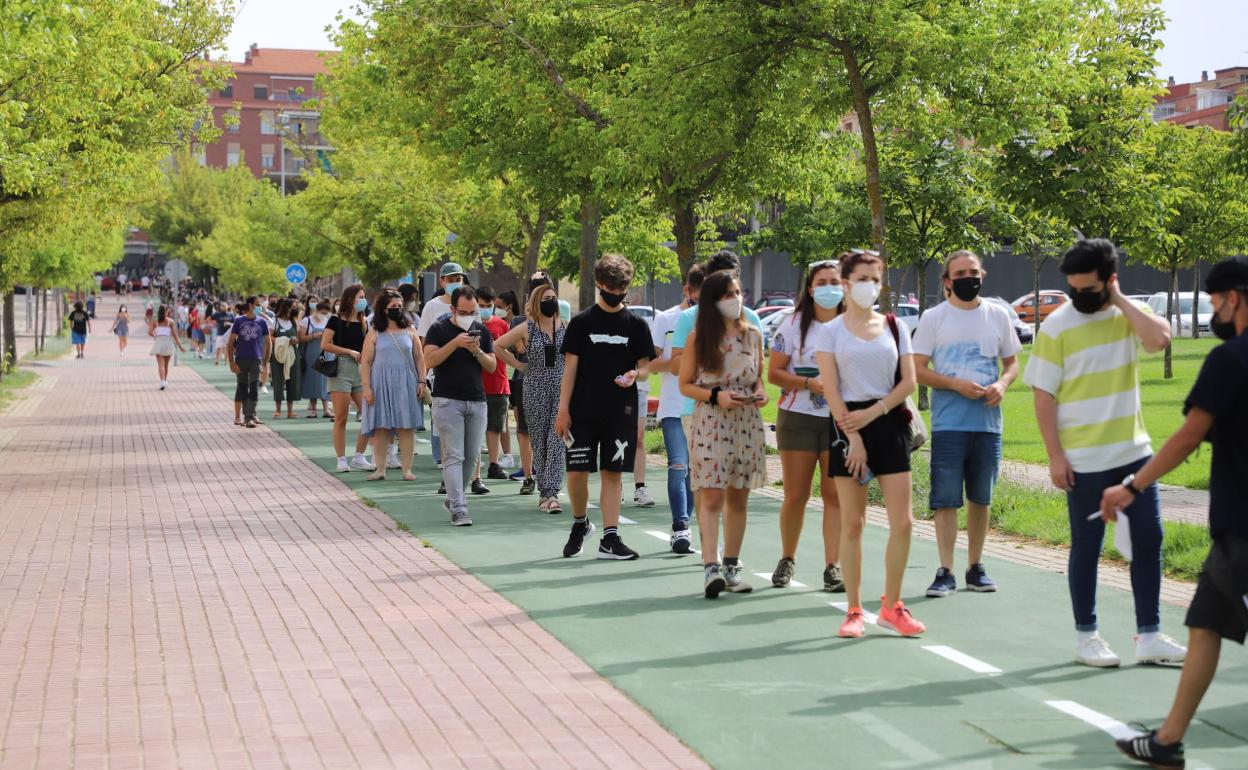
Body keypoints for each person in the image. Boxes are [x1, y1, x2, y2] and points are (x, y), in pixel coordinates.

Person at [1105, 257, 1248, 769]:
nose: (1213, 310)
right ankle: (1167, 741)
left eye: (1213, 300)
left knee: (1207, 623)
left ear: (1232, 297)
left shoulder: (1230, 359)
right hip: (1235, 529)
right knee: (1205, 623)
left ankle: (1168, 740)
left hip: (1242, 527)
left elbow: (1189, 436)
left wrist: (1132, 485)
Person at [1023, 238, 1186, 667]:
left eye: (1088, 289)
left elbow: (1160, 340)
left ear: (1110, 281)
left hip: (1134, 453)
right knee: (1088, 546)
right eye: (1072, 289)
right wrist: (1055, 456)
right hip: (1083, 461)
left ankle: (1149, 635)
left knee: (1149, 541)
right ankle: (1087, 637)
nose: (1078, 297)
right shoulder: (1057, 326)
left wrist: (1118, 300)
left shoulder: (1126, 317)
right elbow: (1044, 395)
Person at [815, 250, 925, 638]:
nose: (870, 286)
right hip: (847, 428)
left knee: (904, 522)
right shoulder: (830, 331)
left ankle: (892, 605)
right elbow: (831, 390)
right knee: (853, 523)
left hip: (889, 421)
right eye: (862, 278)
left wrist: (875, 413)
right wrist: (854, 437)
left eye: (875, 279)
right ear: (845, 283)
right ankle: (854, 609)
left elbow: (909, 382)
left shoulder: (896, 327)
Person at [912, 250, 1021, 598]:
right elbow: (916, 368)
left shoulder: (998, 315)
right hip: (949, 424)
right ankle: (945, 570)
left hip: (988, 423)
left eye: (973, 272)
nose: (967, 278)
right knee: (945, 500)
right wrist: (955, 384)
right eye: (959, 273)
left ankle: (976, 567)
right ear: (947, 281)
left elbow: (1012, 363)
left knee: (981, 497)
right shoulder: (934, 317)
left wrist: (1002, 385)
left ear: (983, 275)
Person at [555, 254, 652, 560]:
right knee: (577, 472)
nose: (616, 292)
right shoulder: (582, 323)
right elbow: (569, 368)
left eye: (621, 287)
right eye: (611, 286)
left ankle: (610, 538)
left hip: (620, 411)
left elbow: (646, 367)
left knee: (613, 472)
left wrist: (636, 374)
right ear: (598, 284)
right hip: (582, 410)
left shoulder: (636, 325)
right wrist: (563, 409)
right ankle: (581, 523)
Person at [680, 271, 768, 597]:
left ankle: (732, 566)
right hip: (712, 418)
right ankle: (710, 567)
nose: (735, 299)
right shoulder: (698, 339)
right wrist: (717, 396)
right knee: (712, 493)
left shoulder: (753, 335)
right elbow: (685, 384)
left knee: (739, 494)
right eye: (727, 294)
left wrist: (760, 392)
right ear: (712, 301)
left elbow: (757, 377)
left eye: (738, 292)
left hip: (746, 421)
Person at [768, 259, 844, 590]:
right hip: (798, 417)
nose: (828, 287)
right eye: (822, 282)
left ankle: (833, 566)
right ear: (810, 289)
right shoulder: (792, 324)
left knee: (834, 495)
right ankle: (787, 557)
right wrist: (808, 384)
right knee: (796, 494)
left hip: (840, 420)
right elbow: (774, 373)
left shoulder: (852, 325)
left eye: (834, 281)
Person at [423, 286, 498, 526]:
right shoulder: (439, 329)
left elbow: (492, 366)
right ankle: (459, 507)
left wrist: (476, 350)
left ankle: (456, 497)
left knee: (472, 457)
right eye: (464, 312)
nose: (469, 316)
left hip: (477, 400)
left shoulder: (482, 332)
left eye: (472, 311)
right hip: (447, 400)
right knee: (454, 455)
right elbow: (429, 360)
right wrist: (455, 343)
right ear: (453, 309)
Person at [495, 283, 567, 511]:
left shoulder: (566, 327)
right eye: (546, 297)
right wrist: (518, 365)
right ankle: (544, 492)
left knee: (556, 438)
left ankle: (552, 493)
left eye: (553, 297)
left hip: (561, 388)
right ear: (537, 301)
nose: (551, 301)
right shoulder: (528, 328)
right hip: (534, 388)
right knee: (539, 441)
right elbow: (497, 346)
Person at [650, 265, 704, 554]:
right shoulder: (667, 319)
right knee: (678, 465)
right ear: (688, 290)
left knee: (694, 472)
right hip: (673, 406)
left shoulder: (714, 322)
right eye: (699, 292)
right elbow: (649, 362)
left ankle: (687, 524)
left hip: (702, 409)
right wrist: (672, 363)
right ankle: (680, 527)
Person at [360, 289, 427, 481]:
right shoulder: (374, 332)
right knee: (381, 427)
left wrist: (422, 381)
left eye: (400, 306)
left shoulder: (410, 330)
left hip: (407, 382)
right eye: (393, 307)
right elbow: (365, 362)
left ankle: (407, 470)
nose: (397, 309)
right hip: (380, 383)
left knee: (406, 427)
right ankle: (380, 469)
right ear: (383, 309)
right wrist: (366, 387)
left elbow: (420, 359)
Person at [418, 263, 470, 481]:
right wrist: (424, 374)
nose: (455, 283)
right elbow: (423, 341)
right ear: (442, 282)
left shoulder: (469, 301)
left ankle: (467, 463)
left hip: (466, 371)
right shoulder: (431, 307)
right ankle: (442, 457)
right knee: (442, 419)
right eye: (450, 279)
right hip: (438, 372)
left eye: (458, 279)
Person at [323, 285, 375, 473]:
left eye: (364, 297)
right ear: (351, 298)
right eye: (361, 296)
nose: (363, 300)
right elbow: (325, 344)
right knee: (341, 417)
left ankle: (359, 456)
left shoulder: (364, 322)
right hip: (341, 369)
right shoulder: (335, 320)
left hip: (360, 371)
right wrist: (349, 351)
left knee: (369, 414)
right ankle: (341, 459)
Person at [475, 286, 513, 483]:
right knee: (475, 428)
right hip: (475, 384)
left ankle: (493, 463)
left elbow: (509, 350)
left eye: (488, 306)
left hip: (498, 383)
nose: (484, 309)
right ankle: (473, 468)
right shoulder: (469, 325)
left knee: (495, 427)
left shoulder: (501, 325)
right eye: (480, 305)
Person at [226, 298, 269, 426]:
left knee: (254, 387)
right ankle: (245, 417)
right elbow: (230, 342)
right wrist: (231, 362)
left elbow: (268, 342)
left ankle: (250, 416)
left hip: (256, 360)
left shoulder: (262, 322)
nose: (259, 307)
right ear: (250, 305)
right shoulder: (239, 320)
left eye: (260, 305)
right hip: (241, 359)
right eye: (257, 305)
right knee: (243, 388)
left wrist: (265, 361)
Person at [494, 289, 523, 471]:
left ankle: (524, 459)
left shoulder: (518, 323)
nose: (495, 310)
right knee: (503, 418)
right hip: (504, 375)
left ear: (509, 307)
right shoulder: (496, 324)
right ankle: (506, 454)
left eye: (498, 307)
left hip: (517, 375)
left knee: (522, 421)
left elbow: (520, 349)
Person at [298, 299, 333, 418]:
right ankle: (313, 409)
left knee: (324, 380)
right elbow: (300, 338)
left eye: (326, 313)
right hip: (311, 355)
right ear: (317, 310)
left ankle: (326, 409)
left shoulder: (328, 321)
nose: (323, 315)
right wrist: (314, 336)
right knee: (312, 379)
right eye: (322, 312)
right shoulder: (306, 321)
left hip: (325, 354)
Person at [269, 298, 303, 420]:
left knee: (292, 381)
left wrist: (294, 340)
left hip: (293, 354)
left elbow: (299, 338)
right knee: (278, 380)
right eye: (292, 306)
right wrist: (283, 341)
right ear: (286, 307)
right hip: (278, 354)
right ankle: (277, 410)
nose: (294, 309)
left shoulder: (294, 321)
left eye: (295, 307)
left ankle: (290, 410)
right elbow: (269, 337)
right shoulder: (275, 321)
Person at [148, 305, 184, 389]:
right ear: (167, 311)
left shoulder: (154, 321)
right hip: (168, 342)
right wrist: (180, 347)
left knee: (161, 365)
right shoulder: (170, 321)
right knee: (166, 365)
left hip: (159, 342)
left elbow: (149, 332)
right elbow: (175, 335)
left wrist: (155, 335)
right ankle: (164, 381)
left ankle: (162, 381)